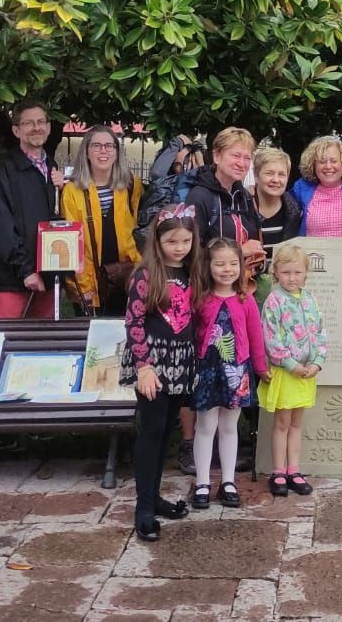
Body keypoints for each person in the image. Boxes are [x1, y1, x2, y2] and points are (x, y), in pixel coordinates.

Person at [123, 206, 200, 541]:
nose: (179, 247)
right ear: (157, 240)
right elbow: (134, 322)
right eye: (171, 241)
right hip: (153, 362)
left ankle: (155, 498)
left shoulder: (193, 272)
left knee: (167, 427)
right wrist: (144, 366)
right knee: (151, 430)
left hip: (180, 362)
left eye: (185, 240)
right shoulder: (145, 276)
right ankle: (143, 507)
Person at [188, 237, 269, 510]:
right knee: (205, 426)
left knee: (229, 427)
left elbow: (256, 337)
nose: (227, 269)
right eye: (220, 263)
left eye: (233, 263)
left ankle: (229, 481)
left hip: (237, 371)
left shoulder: (245, 300)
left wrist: (260, 368)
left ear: (242, 266)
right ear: (208, 266)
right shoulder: (199, 298)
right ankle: (201, 481)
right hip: (207, 371)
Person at [258, 243, 328, 497]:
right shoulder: (274, 300)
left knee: (297, 423)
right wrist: (291, 365)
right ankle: (278, 471)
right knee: (282, 422)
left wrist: (317, 361)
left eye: (297, 272)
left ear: (305, 273)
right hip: (286, 372)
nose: (292, 278)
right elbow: (271, 338)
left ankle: (294, 470)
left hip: (307, 372)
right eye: (286, 272)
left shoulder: (310, 299)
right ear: (276, 272)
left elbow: (321, 332)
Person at [0, 100, 64, 319]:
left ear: (48, 127)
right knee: (6, 342)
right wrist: (26, 270)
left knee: (40, 347)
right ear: (16, 130)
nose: (36, 127)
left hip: (47, 278)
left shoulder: (52, 168)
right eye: (29, 123)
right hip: (14, 280)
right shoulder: (5, 169)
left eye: (41, 122)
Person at [61, 127, 142, 314]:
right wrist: (82, 286)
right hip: (92, 281)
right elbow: (73, 244)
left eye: (109, 146)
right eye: (96, 145)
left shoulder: (131, 184)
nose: (103, 151)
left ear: (117, 151)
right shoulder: (72, 190)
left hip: (127, 275)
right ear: (86, 152)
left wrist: (141, 272)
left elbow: (140, 230)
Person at [183, 127, 263, 263]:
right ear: (217, 156)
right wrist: (240, 251)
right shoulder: (200, 197)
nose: (242, 164)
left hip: (240, 281)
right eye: (236, 156)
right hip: (209, 282)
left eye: (247, 158)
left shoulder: (244, 196)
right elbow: (190, 251)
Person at [289, 135, 342, 237]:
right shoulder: (301, 189)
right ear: (313, 166)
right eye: (322, 161)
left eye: (334, 161)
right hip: (312, 252)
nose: (328, 166)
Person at [252, 146, 302, 247]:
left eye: (281, 174)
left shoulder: (295, 211)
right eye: (269, 173)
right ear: (256, 175)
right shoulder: (242, 207)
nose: (276, 180)